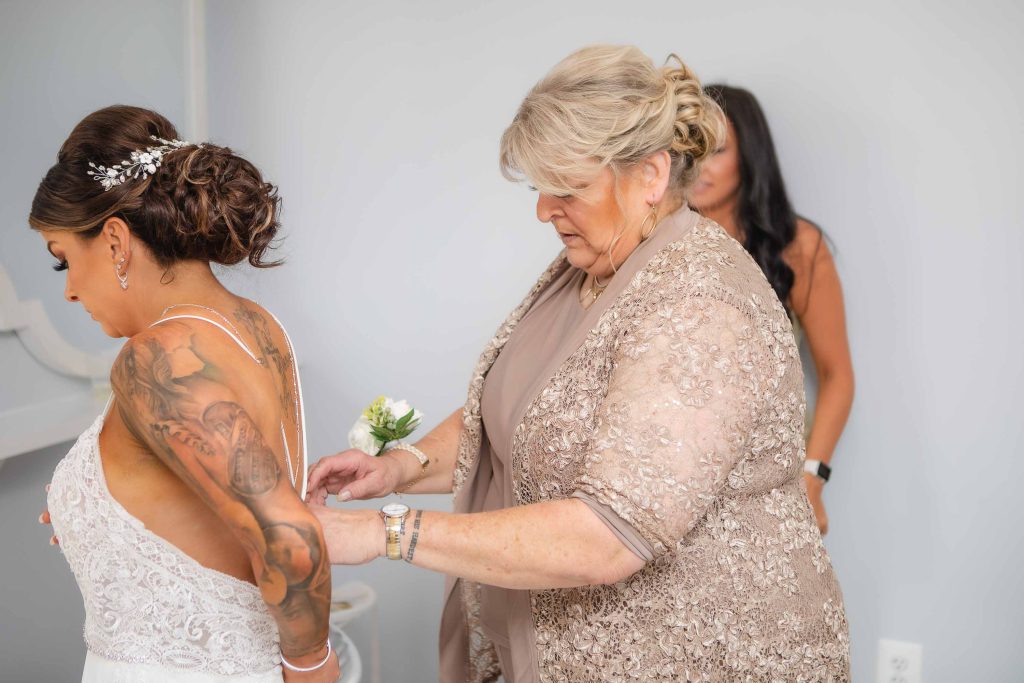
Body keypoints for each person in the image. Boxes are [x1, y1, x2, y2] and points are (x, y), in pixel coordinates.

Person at [306, 46, 850, 682]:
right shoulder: (592, 266)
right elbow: (517, 416)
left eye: (566, 187)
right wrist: (397, 466)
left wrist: (387, 533)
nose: (543, 208)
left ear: (650, 175)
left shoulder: (701, 302)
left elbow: (608, 535)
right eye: (540, 186)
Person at [34, 106, 338, 682]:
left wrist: (312, 665)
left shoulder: (159, 357)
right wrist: (91, 512)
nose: (70, 290)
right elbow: (213, 512)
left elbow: (290, 537)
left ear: (115, 241)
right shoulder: (256, 325)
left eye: (63, 260)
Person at [689, 84, 855, 535]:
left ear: (750, 155)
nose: (699, 165)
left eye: (716, 150)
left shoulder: (798, 247)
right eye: (690, 148)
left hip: (771, 485)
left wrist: (812, 479)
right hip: (680, 482)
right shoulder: (660, 243)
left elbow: (837, 375)